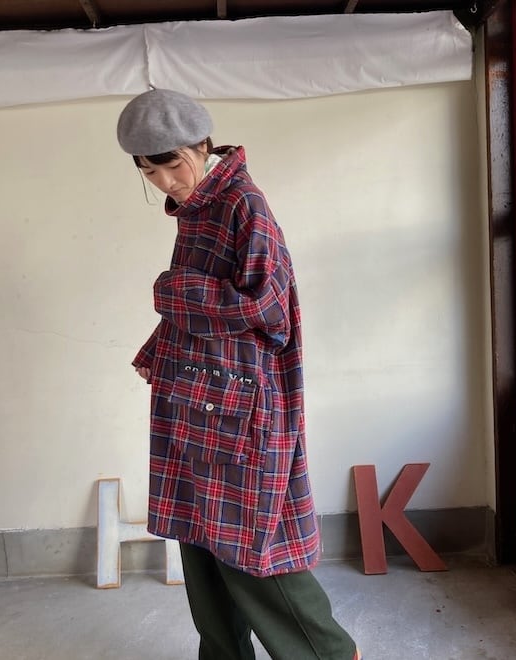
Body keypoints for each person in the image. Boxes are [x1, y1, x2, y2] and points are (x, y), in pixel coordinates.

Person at [117, 88, 360, 660]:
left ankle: (329, 655)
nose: (166, 182)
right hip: (198, 396)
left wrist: (171, 291)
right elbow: (210, 311)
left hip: (237, 405)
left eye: (172, 164)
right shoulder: (200, 210)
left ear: (202, 145)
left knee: (251, 545)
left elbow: (267, 309)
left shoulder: (243, 205)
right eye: (149, 171)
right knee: (201, 544)